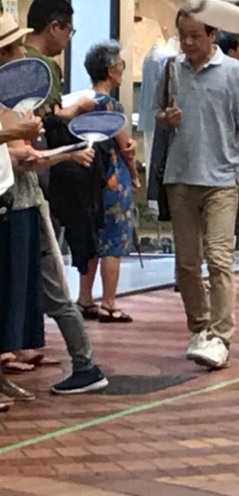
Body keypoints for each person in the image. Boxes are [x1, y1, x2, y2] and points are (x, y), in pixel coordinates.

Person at [0, 14, 108, 395]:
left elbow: (25, 156)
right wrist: (63, 154)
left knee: (45, 289)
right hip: (15, 204)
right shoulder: (11, 103)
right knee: (34, 290)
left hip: (22, 203)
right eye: (13, 48)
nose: (20, 55)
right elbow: (22, 155)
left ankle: (85, 364)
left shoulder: (15, 100)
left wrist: (60, 152)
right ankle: (83, 363)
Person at [159, 10, 239, 371]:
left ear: (213, 33)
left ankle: (220, 336)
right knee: (186, 264)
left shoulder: (233, 72)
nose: (188, 43)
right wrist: (166, 118)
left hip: (221, 179)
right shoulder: (172, 68)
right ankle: (200, 328)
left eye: (195, 36)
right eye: (182, 35)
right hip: (180, 176)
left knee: (219, 259)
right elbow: (159, 114)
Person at [75, 41, 140, 323]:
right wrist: (134, 174)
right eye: (120, 65)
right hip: (113, 179)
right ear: (111, 69)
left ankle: (85, 299)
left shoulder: (81, 102)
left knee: (92, 240)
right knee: (113, 242)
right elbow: (125, 147)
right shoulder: (110, 105)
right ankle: (109, 303)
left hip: (88, 179)